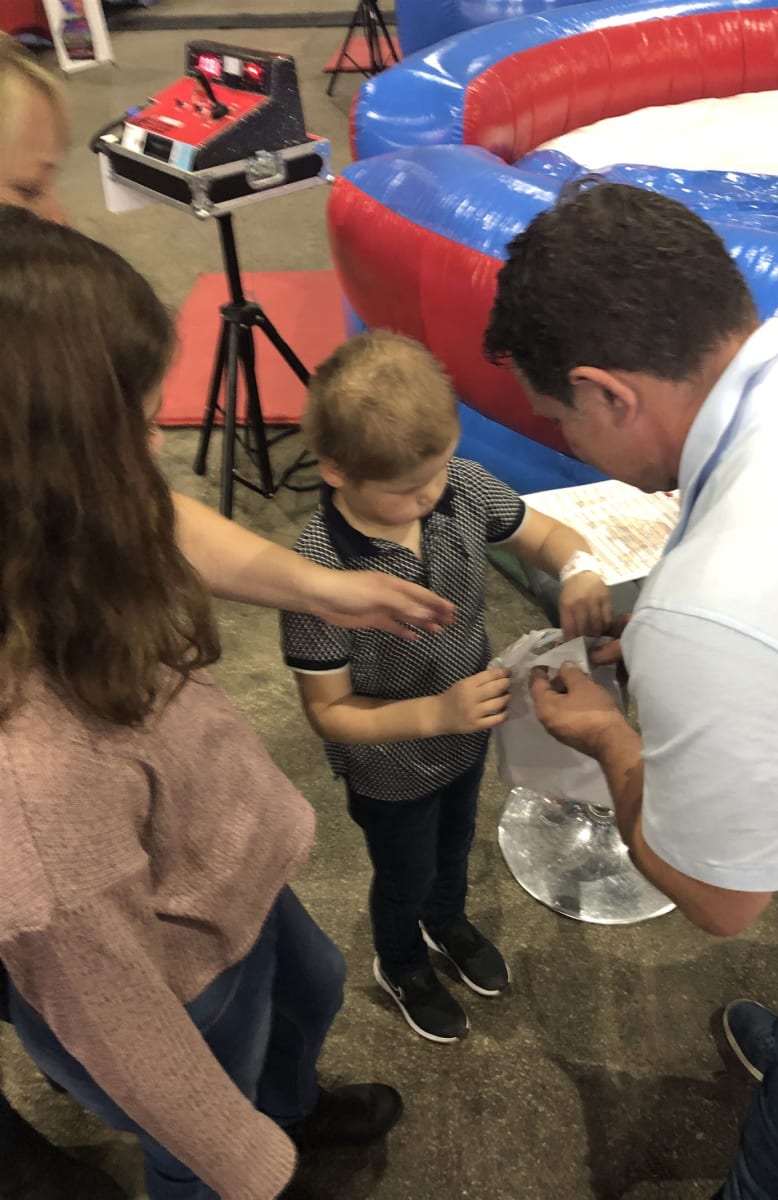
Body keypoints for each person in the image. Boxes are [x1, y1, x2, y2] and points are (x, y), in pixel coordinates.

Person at [0, 36, 453, 1199]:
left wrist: (326, 589)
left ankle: (289, 1103)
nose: (158, 455)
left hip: (219, 870)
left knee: (308, 990)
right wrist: (250, 1164)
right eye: (136, 430)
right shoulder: (34, 785)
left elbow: (144, 509)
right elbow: (122, 1026)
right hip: (169, 970)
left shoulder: (68, 533)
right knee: (209, 1119)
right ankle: (261, 1145)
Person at [484, 178, 778, 1198]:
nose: (568, 443)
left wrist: (609, 737)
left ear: (607, 393)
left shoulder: (717, 607)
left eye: (562, 422)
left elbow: (722, 898)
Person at [279, 331, 613, 1044]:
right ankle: (400, 961)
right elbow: (330, 713)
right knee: (404, 871)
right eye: (407, 489)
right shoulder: (316, 573)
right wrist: (436, 712)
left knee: (455, 845)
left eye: (437, 473)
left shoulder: (459, 486)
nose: (430, 495)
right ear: (336, 470)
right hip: (391, 766)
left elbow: (548, 536)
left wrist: (579, 568)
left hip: (466, 737)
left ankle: (447, 921)